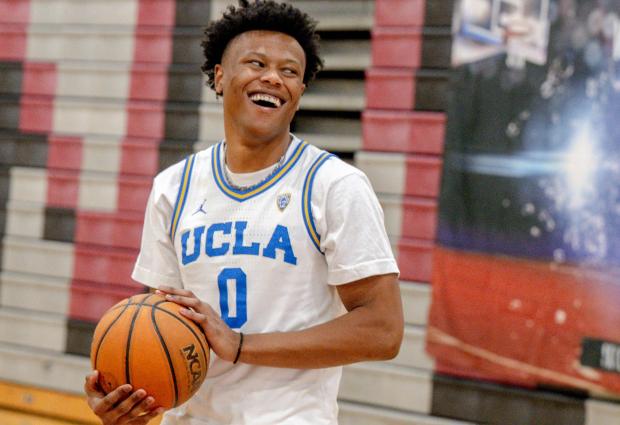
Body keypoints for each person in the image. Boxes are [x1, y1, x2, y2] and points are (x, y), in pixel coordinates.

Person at [84, 1, 403, 423]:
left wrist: (240, 345)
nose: (273, 77)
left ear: (300, 92)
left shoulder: (334, 186)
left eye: (290, 72)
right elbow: (158, 326)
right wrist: (132, 402)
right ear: (219, 76)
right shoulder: (173, 187)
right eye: (256, 63)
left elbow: (383, 330)